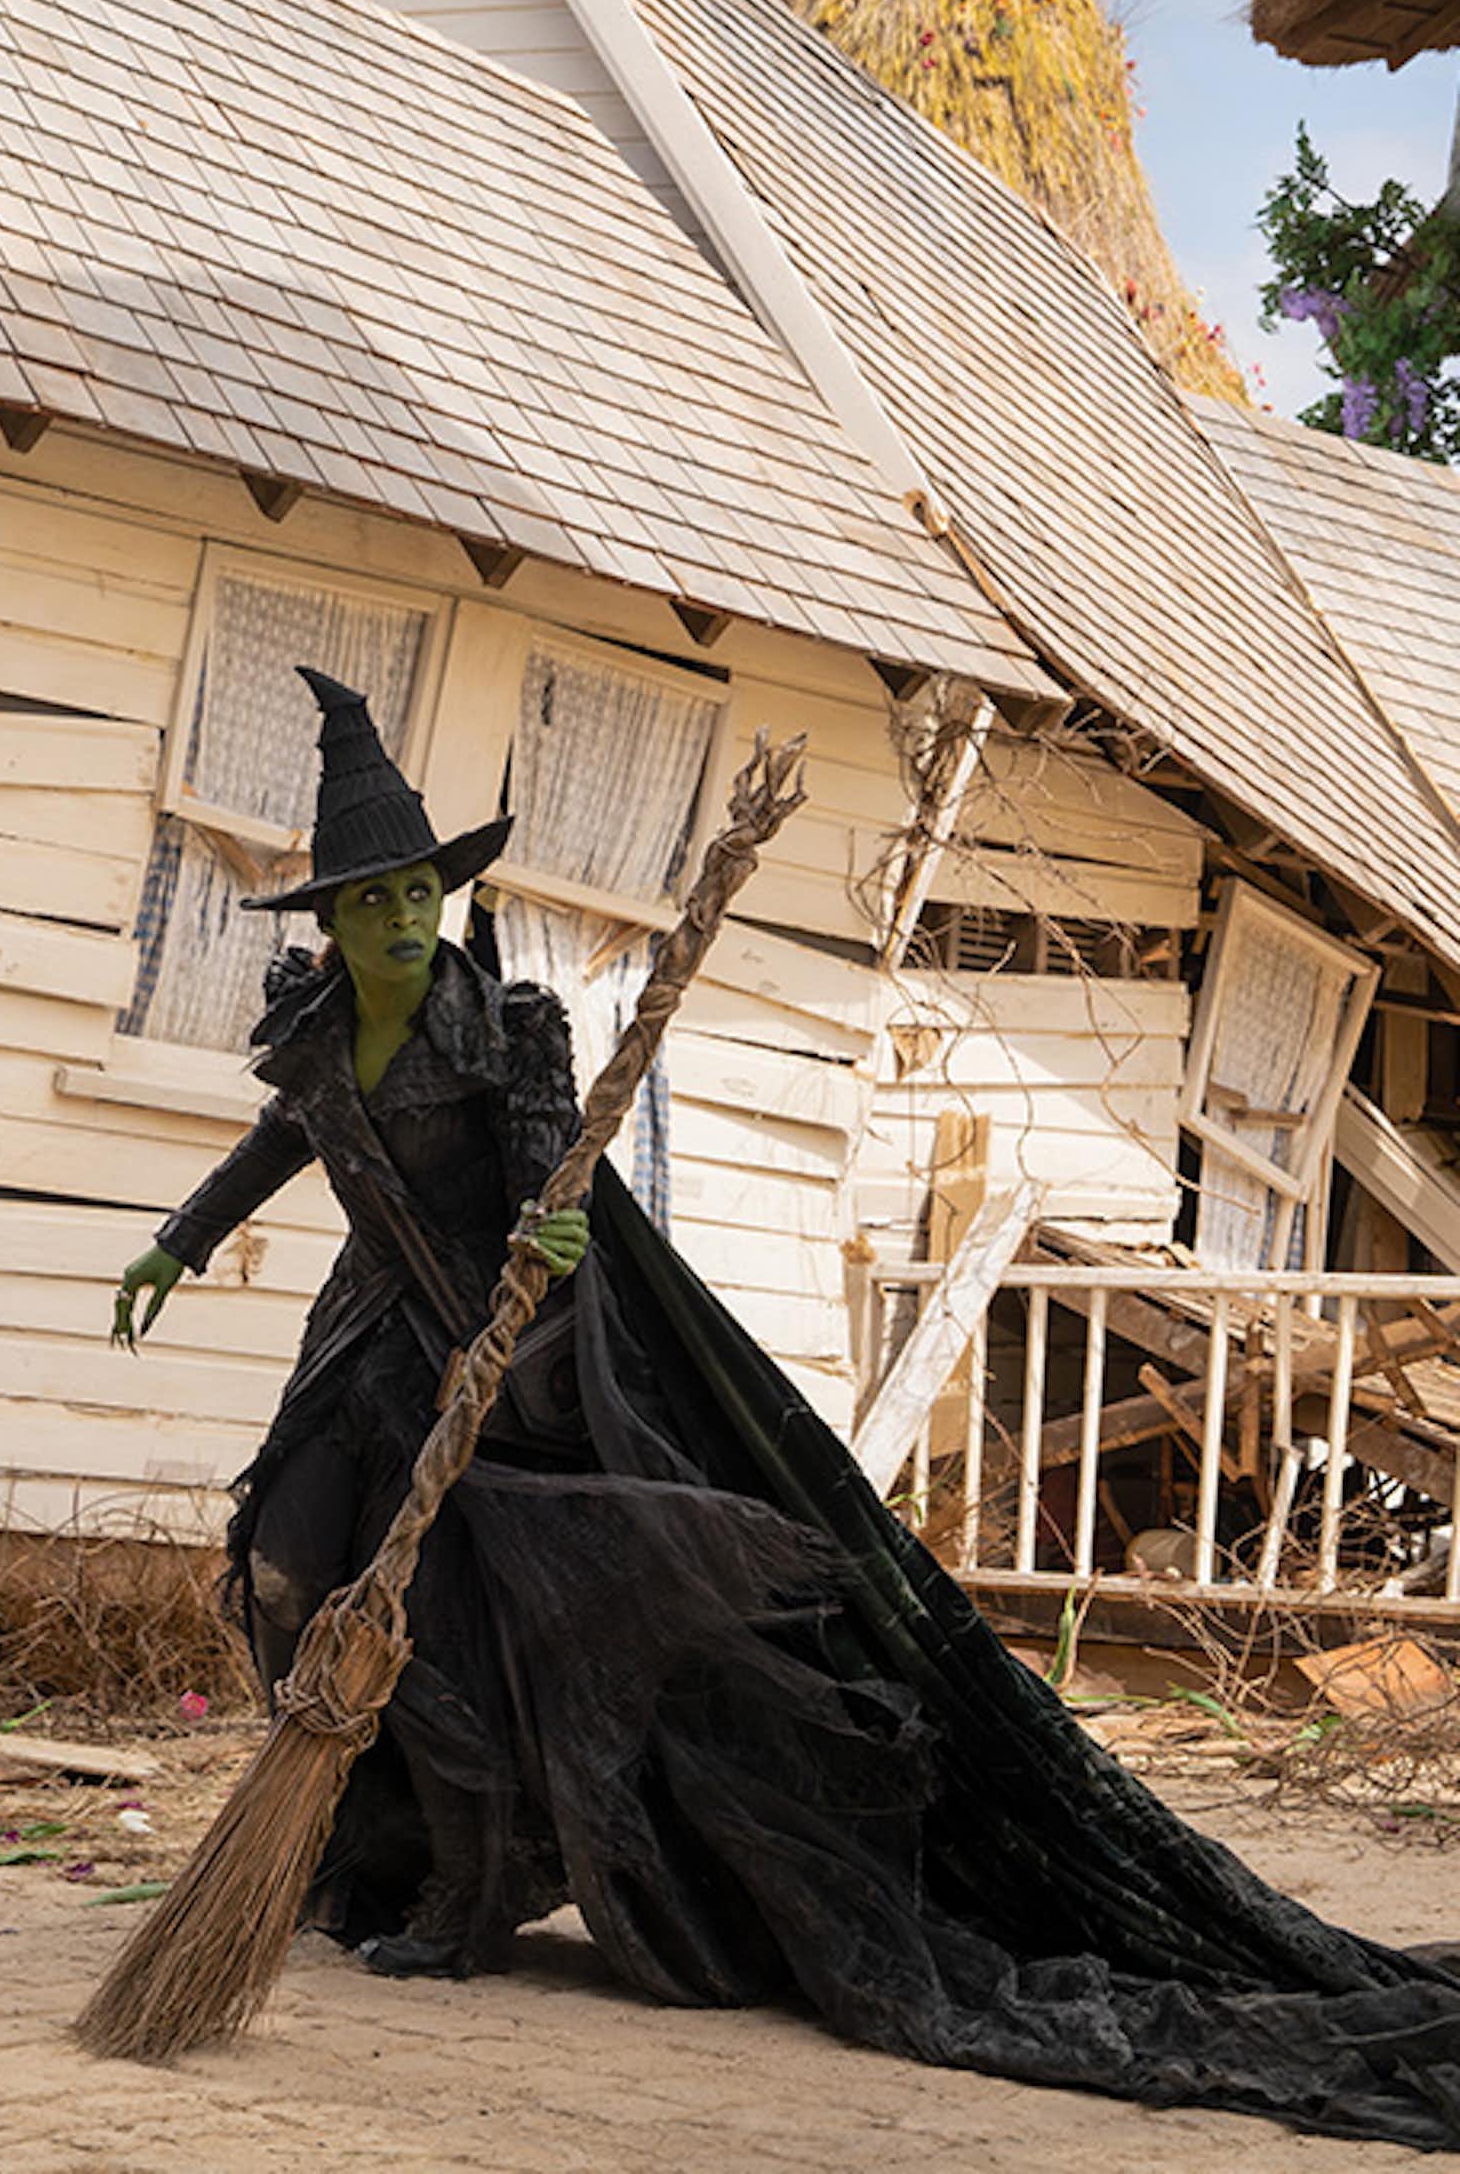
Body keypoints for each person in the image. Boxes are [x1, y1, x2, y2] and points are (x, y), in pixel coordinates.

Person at [110, 664, 1460, 2148]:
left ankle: (464, 1883)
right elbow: (278, 1144)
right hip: (361, 1349)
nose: (399, 918)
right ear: (335, 922)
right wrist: (176, 1239)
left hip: (496, 1368)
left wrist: (550, 1236)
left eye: (418, 892)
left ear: (443, 896)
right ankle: (349, 1842)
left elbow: (553, 1179)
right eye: (371, 903)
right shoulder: (315, 1036)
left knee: (438, 1626)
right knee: (297, 1577)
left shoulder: (509, 1030)